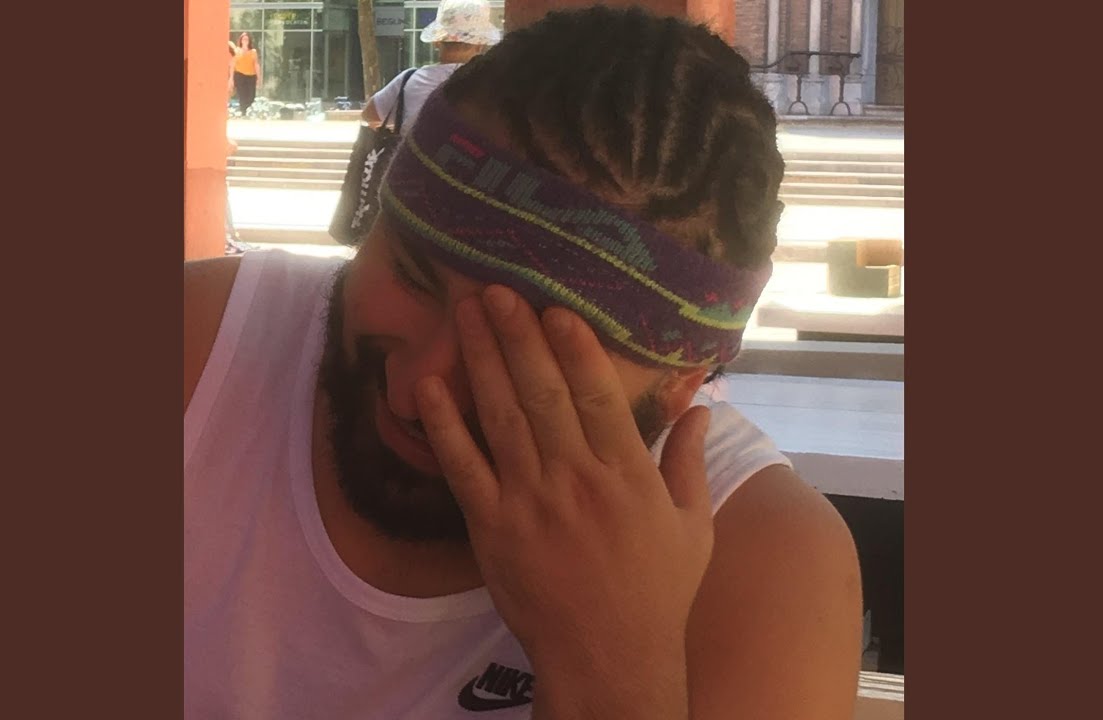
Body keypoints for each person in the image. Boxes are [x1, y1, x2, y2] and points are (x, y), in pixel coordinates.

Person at [185, 7, 863, 719]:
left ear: (680, 385)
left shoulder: (763, 561)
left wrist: (609, 659)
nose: (419, 392)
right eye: (413, 277)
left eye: (526, 348)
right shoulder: (201, 348)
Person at [362, 0, 500, 134]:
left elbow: (369, 115)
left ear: (436, 42)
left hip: (414, 150)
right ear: (480, 44)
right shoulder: (494, 84)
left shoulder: (408, 79)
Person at [229, 32, 261, 116]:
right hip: (240, 75)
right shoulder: (236, 51)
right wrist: (231, 78)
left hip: (251, 76)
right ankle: (243, 112)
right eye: (243, 39)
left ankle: (249, 111)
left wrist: (259, 78)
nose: (245, 41)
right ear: (241, 40)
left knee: (251, 95)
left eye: (247, 39)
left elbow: (256, 65)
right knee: (242, 95)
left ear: (249, 41)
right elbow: (233, 65)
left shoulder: (253, 52)